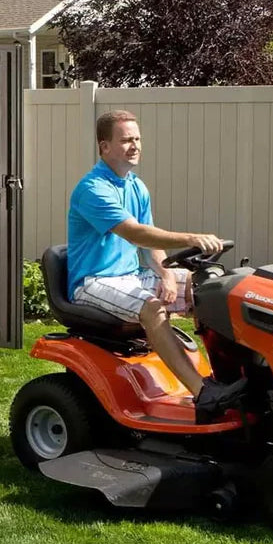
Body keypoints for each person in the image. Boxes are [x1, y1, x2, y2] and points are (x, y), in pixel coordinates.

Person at [67, 109, 246, 423]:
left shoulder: (137, 187)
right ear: (104, 147)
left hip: (132, 276)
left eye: (137, 139)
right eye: (125, 140)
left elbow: (151, 245)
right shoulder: (93, 189)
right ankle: (203, 393)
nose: (134, 146)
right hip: (93, 282)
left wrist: (165, 274)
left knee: (212, 288)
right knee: (153, 309)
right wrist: (191, 237)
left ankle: (234, 378)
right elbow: (135, 232)